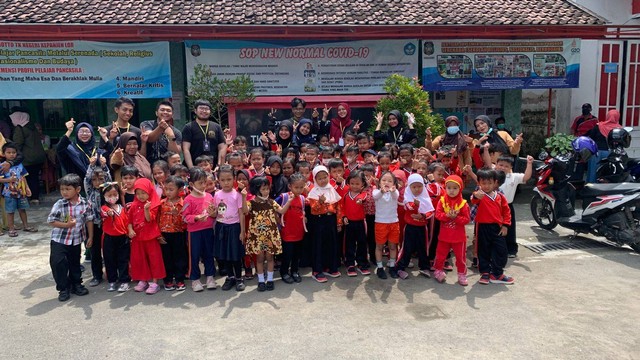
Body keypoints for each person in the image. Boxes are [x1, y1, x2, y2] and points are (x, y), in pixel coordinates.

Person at [47, 174, 93, 301]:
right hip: (59, 239)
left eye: (68, 189)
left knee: (74, 263)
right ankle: (63, 288)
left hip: (76, 239)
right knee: (58, 263)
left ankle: (76, 284)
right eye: (62, 189)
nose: (64, 192)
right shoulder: (60, 204)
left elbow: (89, 220)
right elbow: (51, 221)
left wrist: (90, 237)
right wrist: (66, 225)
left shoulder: (85, 203)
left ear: (77, 190)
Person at [244, 176, 292, 291]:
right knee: (259, 258)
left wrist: (289, 201)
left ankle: (270, 279)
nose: (266, 191)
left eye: (267, 188)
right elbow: (245, 211)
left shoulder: (271, 202)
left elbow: (281, 211)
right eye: (263, 189)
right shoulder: (251, 203)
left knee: (270, 258)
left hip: (271, 235)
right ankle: (261, 280)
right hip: (257, 236)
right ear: (256, 190)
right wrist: (243, 196)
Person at [471, 168, 513, 285]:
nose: (487, 186)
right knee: (483, 250)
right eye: (483, 183)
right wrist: (476, 196)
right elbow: (473, 200)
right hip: (482, 227)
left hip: (497, 228)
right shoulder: (479, 195)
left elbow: (506, 212)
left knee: (501, 250)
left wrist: (505, 225)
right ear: (479, 183)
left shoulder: (500, 196)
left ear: (495, 182)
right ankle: (485, 273)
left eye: (489, 183)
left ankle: (496, 273)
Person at [128, 178, 165, 295]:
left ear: (149, 191)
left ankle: (154, 282)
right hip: (137, 237)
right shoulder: (133, 205)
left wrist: (146, 210)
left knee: (154, 259)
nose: (140, 196)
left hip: (150, 237)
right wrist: (130, 230)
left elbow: (149, 219)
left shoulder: (153, 204)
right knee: (140, 259)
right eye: (138, 193)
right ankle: (143, 280)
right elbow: (129, 221)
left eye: (143, 193)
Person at [182, 167, 217, 292]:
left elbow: (214, 214)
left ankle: (210, 277)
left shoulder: (209, 196)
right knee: (194, 256)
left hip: (208, 230)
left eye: (204, 182)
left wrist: (213, 213)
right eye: (200, 183)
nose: (203, 186)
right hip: (194, 233)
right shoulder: (188, 199)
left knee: (209, 254)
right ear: (191, 184)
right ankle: (195, 279)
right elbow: (184, 217)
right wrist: (196, 217)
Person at [307, 165, 343, 283]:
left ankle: (330, 267)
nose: (323, 180)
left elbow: (337, 207)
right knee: (318, 245)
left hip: (331, 220)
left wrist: (338, 222)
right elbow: (313, 209)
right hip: (319, 221)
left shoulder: (331, 189)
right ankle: (317, 270)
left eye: (325, 177)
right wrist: (320, 202)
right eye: (320, 178)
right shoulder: (314, 192)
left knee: (331, 243)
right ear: (315, 180)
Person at [433, 175, 471, 286]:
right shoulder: (442, 201)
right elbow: (438, 215)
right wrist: (447, 216)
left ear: (460, 189)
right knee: (440, 255)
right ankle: (438, 270)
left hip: (458, 237)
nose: (451, 191)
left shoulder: (463, 204)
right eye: (448, 188)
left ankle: (461, 274)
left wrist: (456, 218)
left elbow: (467, 219)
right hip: (444, 236)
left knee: (460, 257)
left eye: (455, 188)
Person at [213, 165, 246, 291]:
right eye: (223, 180)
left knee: (235, 255)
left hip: (234, 227)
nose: (226, 183)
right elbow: (216, 212)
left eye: (229, 179)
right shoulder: (216, 195)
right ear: (218, 180)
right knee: (224, 255)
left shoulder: (237, 195)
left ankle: (238, 278)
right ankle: (230, 276)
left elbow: (241, 213)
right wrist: (212, 213)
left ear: (234, 179)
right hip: (221, 227)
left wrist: (242, 231)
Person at [397, 173, 434, 280]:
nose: (417, 189)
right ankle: (400, 267)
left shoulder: (425, 197)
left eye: (419, 186)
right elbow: (408, 206)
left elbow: (431, 211)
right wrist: (415, 205)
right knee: (407, 248)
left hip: (422, 227)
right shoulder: (408, 197)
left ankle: (424, 267)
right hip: (410, 227)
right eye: (414, 187)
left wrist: (422, 215)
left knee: (423, 248)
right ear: (409, 187)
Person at [496, 155, 534, 258]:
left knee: (510, 228)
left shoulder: (514, 177)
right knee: (495, 228)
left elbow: (526, 177)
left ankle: (511, 250)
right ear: (496, 165)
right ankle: (496, 249)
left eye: (506, 166)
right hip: (494, 207)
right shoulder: (492, 175)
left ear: (510, 167)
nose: (503, 167)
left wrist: (529, 163)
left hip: (508, 207)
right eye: (501, 165)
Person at [83, 155, 111, 286]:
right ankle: (96, 275)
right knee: (95, 251)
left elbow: (109, 179)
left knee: (108, 250)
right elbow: (87, 179)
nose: (97, 182)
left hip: (107, 223)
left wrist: (104, 167)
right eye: (94, 180)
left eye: (100, 179)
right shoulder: (90, 191)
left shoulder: (107, 191)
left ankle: (111, 274)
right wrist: (91, 165)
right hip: (93, 225)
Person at [158, 176, 189, 291]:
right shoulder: (161, 204)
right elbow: (157, 220)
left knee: (179, 257)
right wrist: (158, 235)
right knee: (167, 258)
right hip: (164, 235)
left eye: (171, 189)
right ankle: (168, 280)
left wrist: (177, 215)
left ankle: (180, 279)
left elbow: (185, 223)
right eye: (166, 189)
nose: (168, 192)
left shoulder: (183, 204)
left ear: (180, 190)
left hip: (178, 234)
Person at [275, 173, 306, 284]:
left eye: (301, 187)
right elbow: (273, 206)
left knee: (296, 255)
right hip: (287, 232)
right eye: (296, 187)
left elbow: (302, 211)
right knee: (287, 255)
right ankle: (284, 272)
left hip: (299, 231)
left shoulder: (302, 198)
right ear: (290, 186)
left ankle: (294, 271)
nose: (299, 190)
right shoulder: (284, 197)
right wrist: (277, 218)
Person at [100, 182, 131, 292]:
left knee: (123, 259)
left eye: (114, 194)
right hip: (109, 238)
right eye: (109, 195)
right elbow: (104, 212)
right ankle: (112, 281)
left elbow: (127, 221)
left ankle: (124, 281)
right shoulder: (104, 208)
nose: (112, 197)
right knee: (110, 260)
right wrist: (109, 212)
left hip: (123, 237)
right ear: (104, 196)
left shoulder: (121, 208)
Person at [10, 109, 46, 204]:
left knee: (27, 177)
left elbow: (18, 144)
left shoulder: (20, 128)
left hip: (28, 157)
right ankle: (35, 197)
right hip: (39, 156)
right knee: (34, 177)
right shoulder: (32, 127)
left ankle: (29, 196)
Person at [1, 143, 37, 237]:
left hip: (21, 191)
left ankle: (26, 226)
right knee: (10, 211)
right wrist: (9, 180)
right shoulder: (2, 166)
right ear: (4, 154)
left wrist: (27, 188)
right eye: (9, 152)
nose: (12, 154)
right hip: (9, 192)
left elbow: (23, 177)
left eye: (13, 152)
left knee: (22, 209)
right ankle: (11, 229)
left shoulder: (20, 165)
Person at [341, 170, 370, 277]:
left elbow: (363, 198)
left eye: (357, 184)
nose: (354, 186)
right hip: (349, 223)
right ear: (348, 183)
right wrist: (343, 216)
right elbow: (342, 207)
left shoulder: (363, 194)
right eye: (352, 183)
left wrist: (359, 200)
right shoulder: (346, 194)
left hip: (361, 223)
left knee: (362, 243)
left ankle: (362, 263)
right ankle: (350, 264)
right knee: (349, 244)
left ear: (362, 184)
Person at [182, 99, 226, 169]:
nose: (204, 111)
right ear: (195, 110)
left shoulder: (216, 127)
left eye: (207, 109)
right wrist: (191, 168)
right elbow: (186, 149)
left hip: (213, 168)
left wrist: (219, 165)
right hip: (195, 167)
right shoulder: (189, 127)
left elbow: (222, 147)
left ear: (210, 111)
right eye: (201, 108)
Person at [372, 171, 400, 279]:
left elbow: (395, 196)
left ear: (394, 183)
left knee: (393, 246)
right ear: (379, 183)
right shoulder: (376, 191)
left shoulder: (395, 192)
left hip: (393, 222)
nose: (386, 182)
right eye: (383, 180)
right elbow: (376, 196)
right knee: (379, 246)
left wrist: (392, 190)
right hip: (380, 223)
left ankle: (392, 266)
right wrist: (382, 191)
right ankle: (379, 267)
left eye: (389, 181)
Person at [140, 100, 182, 165]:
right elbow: (149, 138)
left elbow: (175, 153)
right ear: (156, 113)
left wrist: (171, 135)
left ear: (172, 114)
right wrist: (161, 128)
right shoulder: (146, 124)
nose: (165, 112)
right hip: (148, 165)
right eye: (162, 110)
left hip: (167, 167)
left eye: (168, 111)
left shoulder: (176, 132)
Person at [586, 109, 622, 183]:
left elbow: (591, 138)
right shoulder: (619, 129)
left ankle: (590, 190)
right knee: (607, 174)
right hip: (610, 154)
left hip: (596, 152)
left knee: (593, 172)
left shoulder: (599, 126)